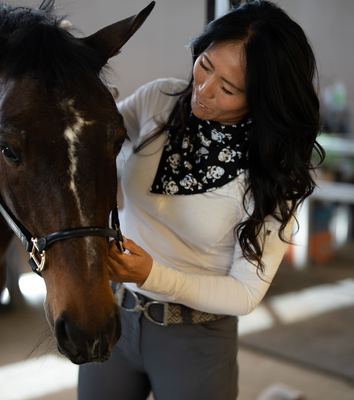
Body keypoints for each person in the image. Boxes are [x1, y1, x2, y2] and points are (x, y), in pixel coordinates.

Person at [78, 1, 324, 399]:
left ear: (263, 97)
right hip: (114, 312)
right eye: (205, 65)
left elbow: (244, 293)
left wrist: (152, 276)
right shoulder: (158, 99)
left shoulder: (274, 174)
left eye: (228, 88)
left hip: (195, 339)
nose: (204, 91)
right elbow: (89, 142)